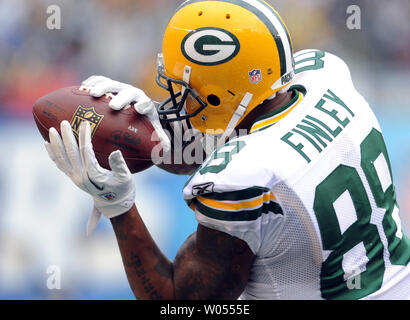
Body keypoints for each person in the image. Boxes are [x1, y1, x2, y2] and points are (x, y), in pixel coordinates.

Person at [44, 0, 410, 299]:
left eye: (185, 90)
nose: (175, 100)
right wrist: (151, 126)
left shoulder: (240, 178)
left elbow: (180, 303)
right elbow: (243, 133)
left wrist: (117, 204)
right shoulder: (325, 75)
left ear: (222, 93)